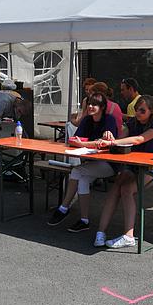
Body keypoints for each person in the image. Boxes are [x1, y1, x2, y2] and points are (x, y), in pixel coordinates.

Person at [94, 95, 153, 249]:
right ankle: (100, 232)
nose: (138, 113)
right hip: (133, 166)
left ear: (151, 112)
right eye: (136, 110)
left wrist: (112, 141)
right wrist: (110, 136)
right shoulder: (132, 122)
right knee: (116, 186)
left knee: (126, 189)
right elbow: (121, 136)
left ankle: (128, 236)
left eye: (142, 110)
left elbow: (138, 139)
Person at [47, 93, 118, 232]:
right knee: (83, 180)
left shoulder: (109, 120)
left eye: (95, 104)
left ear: (102, 107)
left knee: (76, 171)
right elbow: (75, 139)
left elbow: (105, 144)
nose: (90, 106)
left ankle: (64, 207)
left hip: (110, 164)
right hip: (92, 162)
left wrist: (87, 143)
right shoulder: (87, 120)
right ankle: (84, 220)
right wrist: (88, 143)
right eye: (89, 104)